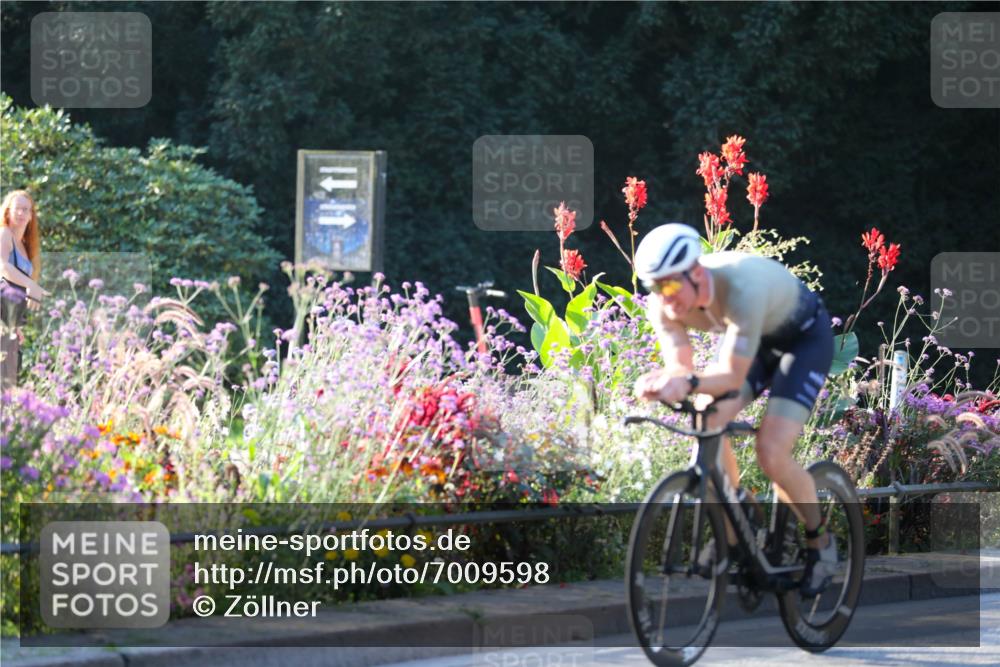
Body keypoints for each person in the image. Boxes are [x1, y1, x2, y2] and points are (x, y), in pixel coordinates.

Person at [633, 223, 837, 598]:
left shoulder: (743, 287)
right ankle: (738, 513)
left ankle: (819, 541)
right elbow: (681, 366)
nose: (665, 297)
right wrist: (664, 381)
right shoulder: (662, 305)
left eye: (671, 285)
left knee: (771, 452)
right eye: (655, 287)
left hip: (803, 342)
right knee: (706, 416)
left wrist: (688, 382)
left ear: (697, 272)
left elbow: (731, 376)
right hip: (755, 344)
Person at [0, 190, 49, 390]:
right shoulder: (4, 234)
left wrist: (15, 325)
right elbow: (3, 267)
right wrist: (32, 285)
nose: (21, 213)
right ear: (8, 212)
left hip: (9, 321)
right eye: (17, 208)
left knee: (8, 380)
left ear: (31, 216)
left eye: (26, 210)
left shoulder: (25, 245)